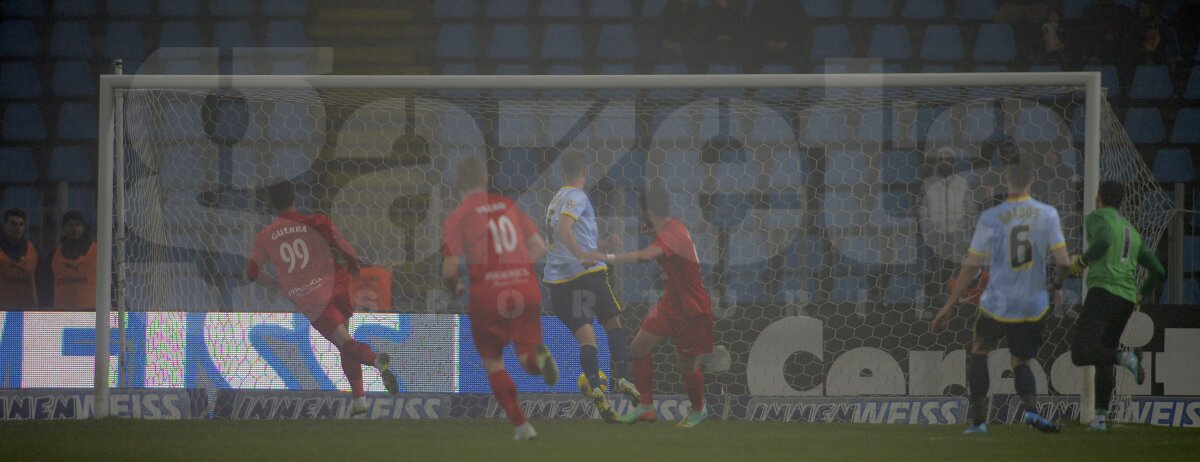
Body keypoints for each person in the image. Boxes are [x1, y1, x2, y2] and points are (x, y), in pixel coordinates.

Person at [930, 162, 1073, 434]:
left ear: (1006, 179)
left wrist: (950, 303)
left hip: (998, 302)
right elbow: (1064, 262)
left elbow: (972, 265)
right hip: (1033, 303)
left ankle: (980, 422)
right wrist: (1055, 285)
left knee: (980, 351)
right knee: (1020, 361)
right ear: (1033, 178)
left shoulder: (992, 216)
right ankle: (1031, 412)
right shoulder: (1048, 214)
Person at [246, 181, 398, 416]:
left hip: (312, 297)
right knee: (345, 342)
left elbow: (252, 273)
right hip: (337, 284)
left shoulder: (265, 236)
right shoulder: (316, 221)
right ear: (294, 199)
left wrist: (276, 284)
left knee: (344, 343)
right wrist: (352, 263)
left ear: (271, 205)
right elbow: (342, 245)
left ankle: (377, 360)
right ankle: (359, 401)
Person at [441, 156, 559, 441]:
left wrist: (454, 287)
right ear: (484, 180)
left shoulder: (458, 216)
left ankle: (522, 426)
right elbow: (540, 247)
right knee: (527, 357)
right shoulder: (509, 205)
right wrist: (517, 269)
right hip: (525, 289)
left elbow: (450, 268)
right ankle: (540, 361)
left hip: (488, 296)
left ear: (458, 184)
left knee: (493, 362)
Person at [584, 188, 714, 428]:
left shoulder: (670, 234)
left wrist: (605, 257)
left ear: (648, 212)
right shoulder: (669, 226)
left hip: (691, 309)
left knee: (685, 365)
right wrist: (654, 231)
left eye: (642, 212)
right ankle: (646, 407)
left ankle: (699, 409)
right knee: (639, 347)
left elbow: (646, 256)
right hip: (670, 303)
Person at [1060, 181, 1164, 431]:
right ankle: (1099, 419)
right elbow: (1158, 271)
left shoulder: (1097, 217)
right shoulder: (1132, 230)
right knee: (1102, 354)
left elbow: (1104, 240)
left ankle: (1126, 357)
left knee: (1081, 353)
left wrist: (1082, 261)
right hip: (1126, 299)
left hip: (1104, 292)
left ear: (1098, 199)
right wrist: (1141, 295)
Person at [543, 152, 639, 422]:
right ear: (584, 171)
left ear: (563, 173)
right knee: (613, 323)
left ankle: (596, 387)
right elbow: (565, 229)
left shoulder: (554, 200)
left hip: (560, 283)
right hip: (587, 276)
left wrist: (601, 246)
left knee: (587, 340)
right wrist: (582, 255)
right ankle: (622, 378)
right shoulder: (577, 196)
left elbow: (565, 236)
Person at [49, 211, 96, 310]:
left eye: (78, 225)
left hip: (92, 314)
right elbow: (47, 286)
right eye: (70, 225)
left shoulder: (98, 252)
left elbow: (112, 282)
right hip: (61, 313)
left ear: (83, 227)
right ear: (64, 229)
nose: (74, 229)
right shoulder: (53, 255)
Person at [0, 208, 39, 308]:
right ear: (4, 225)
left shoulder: (34, 251)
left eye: (21, 224)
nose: (17, 228)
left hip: (29, 310)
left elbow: (41, 281)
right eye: (13, 224)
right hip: (3, 311)